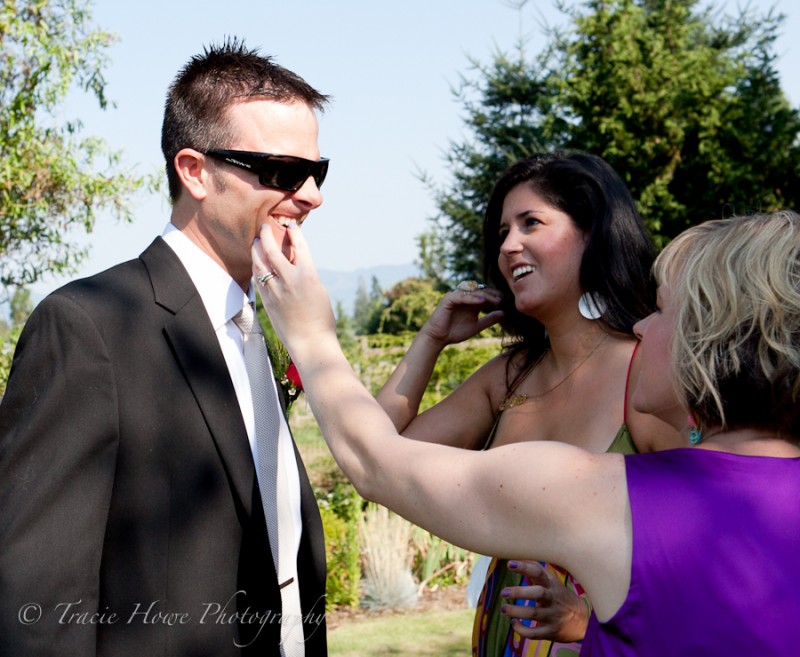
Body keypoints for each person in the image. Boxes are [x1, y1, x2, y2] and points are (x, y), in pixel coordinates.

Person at [253, 209, 800, 654]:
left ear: (712, 337)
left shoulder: (610, 497)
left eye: (661, 311)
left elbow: (379, 464)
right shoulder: (512, 377)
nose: (641, 326)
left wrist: (311, 333)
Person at [0, 40, 329, 656]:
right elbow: (35, 607)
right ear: (195, 171)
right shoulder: (85, 329)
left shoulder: (259, 326)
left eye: (318, 171)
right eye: (283, 171)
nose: (311, 194)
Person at [373, 152, 679, 655]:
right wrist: (430, 339)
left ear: (593, 234)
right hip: (502, 637)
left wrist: (586, 624)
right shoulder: (509, 375)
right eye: (501, 234)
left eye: (531, 223)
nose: (509, 245)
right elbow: (381, 458)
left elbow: (690, 546)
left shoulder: (647, 374)